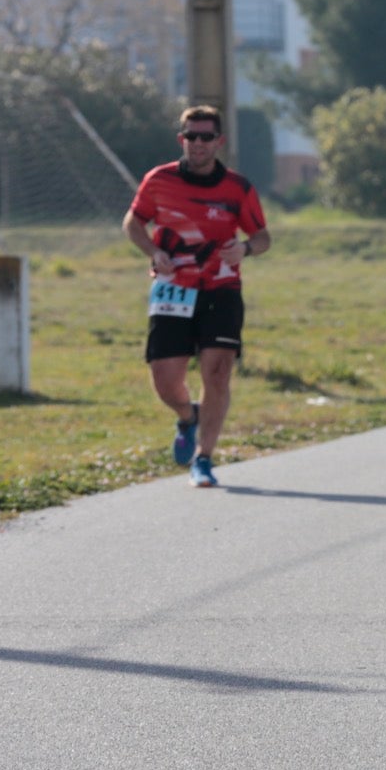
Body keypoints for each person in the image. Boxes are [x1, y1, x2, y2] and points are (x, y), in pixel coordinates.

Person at [122, 106, 269, 488]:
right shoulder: (159, 180)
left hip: (221, 288)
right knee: (165, 379)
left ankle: (204, 459)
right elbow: (133, 222)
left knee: (217, 373)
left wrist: (246, 250)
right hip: (174, 287)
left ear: (219, 142)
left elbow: (262, 237)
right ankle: (188, 416)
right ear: (181, 140)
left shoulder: (238, 188)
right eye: (191, 136)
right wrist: (153, 252)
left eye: (206, 137)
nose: (198, 144)